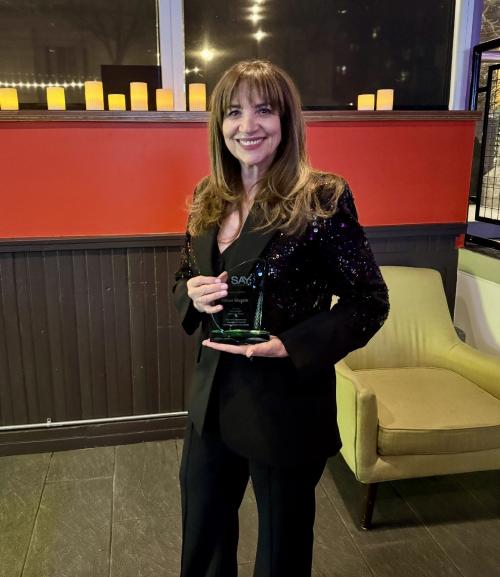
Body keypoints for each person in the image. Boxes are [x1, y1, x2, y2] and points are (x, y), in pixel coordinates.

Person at [173, 60, 389, 577]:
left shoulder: (321, 198)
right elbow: (183, 274)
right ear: (219, 126)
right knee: (202, 534)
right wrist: (191, 294)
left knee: (281, 550)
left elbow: (369, 301)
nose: (248, 125)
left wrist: (292, 345)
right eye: (234, 112)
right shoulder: (208, 195)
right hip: (211, 403)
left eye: (263, 109)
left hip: (283, 405)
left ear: (286, 120)